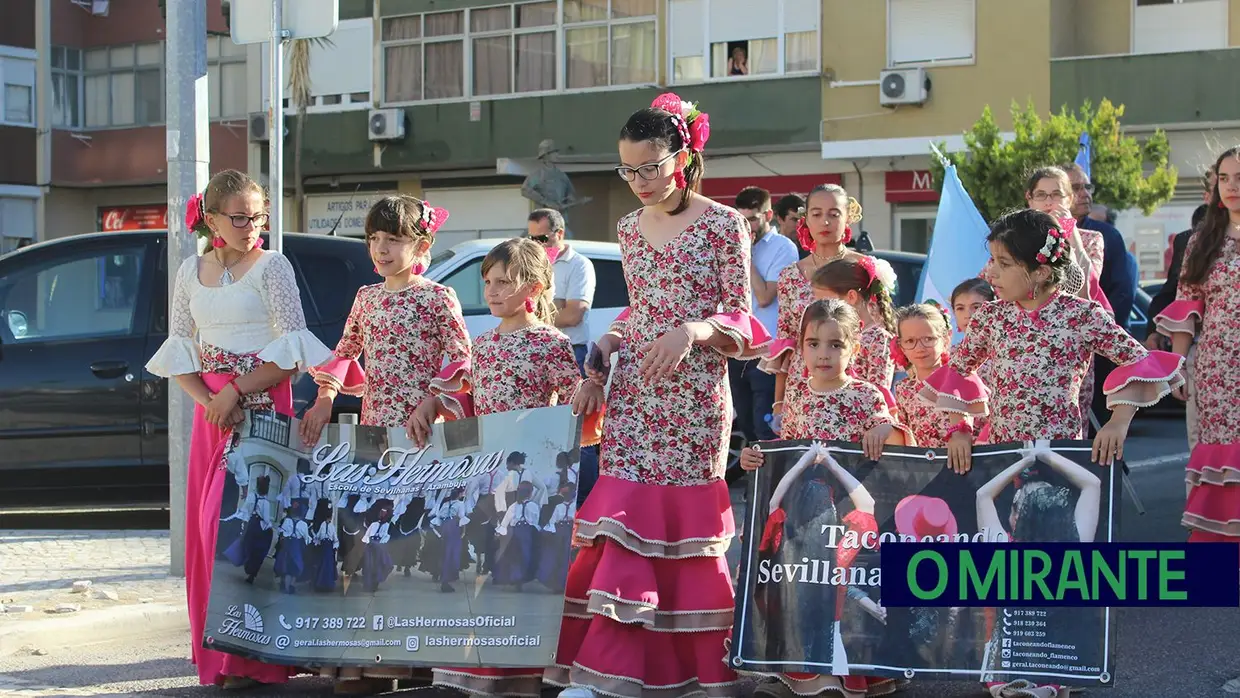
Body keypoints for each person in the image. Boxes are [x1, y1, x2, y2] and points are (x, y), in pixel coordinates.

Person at [551, 92, 769, 698]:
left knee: (683, 535)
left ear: (682, 155)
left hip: (695, 402)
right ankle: (606, 671)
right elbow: (641, 311)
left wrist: (693, 330)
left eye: (649, 166)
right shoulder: (627, 228)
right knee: (622, 525)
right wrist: (605, 352)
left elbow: (742, 320)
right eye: (628, 169)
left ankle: (692, 672)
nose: (639, 181)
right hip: (635, 394)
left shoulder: (724, 224)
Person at [920, 208, 1182, 698]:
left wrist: (1120, 421)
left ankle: (1058, 668)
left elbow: (1142, 363)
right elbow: (958, 374)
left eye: (1001, 263)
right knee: (1006, 566)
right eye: (990, 262)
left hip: (1062, 460)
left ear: (1038, 271)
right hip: (1002, 459)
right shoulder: (991, 318)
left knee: (1057, 567)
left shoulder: (1083, 314)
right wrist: (961, 427)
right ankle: (1006, 663)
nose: (989, 274)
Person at [145, 169, 334, 689]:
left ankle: (256, 656)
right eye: (239, 217)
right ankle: (219, 653)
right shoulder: (189, 271)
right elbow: (180, 348)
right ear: (211, 220)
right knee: (208, 534)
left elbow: (293, 351)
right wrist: (210, 400)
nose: (251, 226)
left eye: (257, 216)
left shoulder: (274, 266)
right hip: (213, 417)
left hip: (264, 407)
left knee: (246, 526)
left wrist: (236, 390)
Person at [407, 237, 601, 697]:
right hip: (487, 472)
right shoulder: (483, 343)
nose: (492, 292)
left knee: (525, 567)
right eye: (488, 283)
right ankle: (488, 666)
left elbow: (574, 403)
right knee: (488, 565)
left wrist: (590, 390)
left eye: (503, 283)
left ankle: (527, 671)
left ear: (532, 288)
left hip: (532, 475)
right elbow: (470, 405)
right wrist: (434, 404)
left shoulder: (550, 341)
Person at [299, 194, 469, 695]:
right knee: (369, 543)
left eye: (393, 239)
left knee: (413, 543)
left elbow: (460, 360)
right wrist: (325, 397)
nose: (381, 249)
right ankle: (370, 660)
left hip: (421, 443)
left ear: (421, 244)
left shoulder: (439, 298)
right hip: (374, 440)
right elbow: (343, 353)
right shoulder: (366, 298)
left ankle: (415, 660)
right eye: (374, 239)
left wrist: (429, 405)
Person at [739, 300, 908, 698]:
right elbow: (786, 453)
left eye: (835, 344)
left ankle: (838, 674)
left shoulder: (867, 395)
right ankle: (799, 673)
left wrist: (885, 429)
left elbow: (901, 445)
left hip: (847, 520)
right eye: (813, 344)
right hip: (803, 518)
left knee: (835, 595)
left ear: (854, 349)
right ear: (800, 348)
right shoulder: (797, 394)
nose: (823, 354)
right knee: (800, 592)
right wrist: (755, 457)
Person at [1154, 146, 1240, 558]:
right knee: (1222, 450)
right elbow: (1188, 305)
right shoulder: (1201, 242)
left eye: (1239, 177)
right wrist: (1180, 365)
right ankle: (1223, 548)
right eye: (1224, 179)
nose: (1233, 187)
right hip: (1218, 365)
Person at [760, 184, 866, 439]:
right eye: (816, 214)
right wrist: (779, 403)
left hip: (853, 379)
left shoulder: (863, 269)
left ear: (847, 217)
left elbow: (874, 333)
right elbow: (786, 341)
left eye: (834, 213)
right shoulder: (790, 275)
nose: (825, 221)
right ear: (805, 219)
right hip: (802, 384)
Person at [1026, 166, 1112, 437]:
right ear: (1030, 199)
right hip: (1022, 347)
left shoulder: (1091, 239)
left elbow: (1088, 287)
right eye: (1041, 195)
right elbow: (992, 283)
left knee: (1069, 434)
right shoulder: (1015, 240)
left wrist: (1070, 234)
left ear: (1070, 199)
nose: (1049, 202)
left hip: (1070, 349)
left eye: (1057, 194)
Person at [733, 186, 799, 443]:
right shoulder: (736, 244)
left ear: (768, 215)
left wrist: (745, 256)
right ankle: (754, 482)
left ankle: (770, 483)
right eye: (741, 219)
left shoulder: (783, 248)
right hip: (738, 348)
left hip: (767, 351)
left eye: (752, 219)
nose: (746, 227)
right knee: (745, 427)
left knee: (765, 429)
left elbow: (764, 297)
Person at [891, 302, 973, 471]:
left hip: (968, 469)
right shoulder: (904, 389)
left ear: (946, 338)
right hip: (925, 473)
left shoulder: (963, 377)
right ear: (901, 346)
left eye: (928, 339)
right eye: (910, 341)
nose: (919, 348)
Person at [811, 256, 899, 396]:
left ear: (851, 296)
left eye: (825, 301)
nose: (820, 308)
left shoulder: (878, 339)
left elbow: (878, 393)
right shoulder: (834, 333)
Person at [773, 193, 807, 258]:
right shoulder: (769, 249)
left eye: (802, 220)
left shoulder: (812, 251)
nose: (799, 225)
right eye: (794, 220)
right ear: (779, 219)